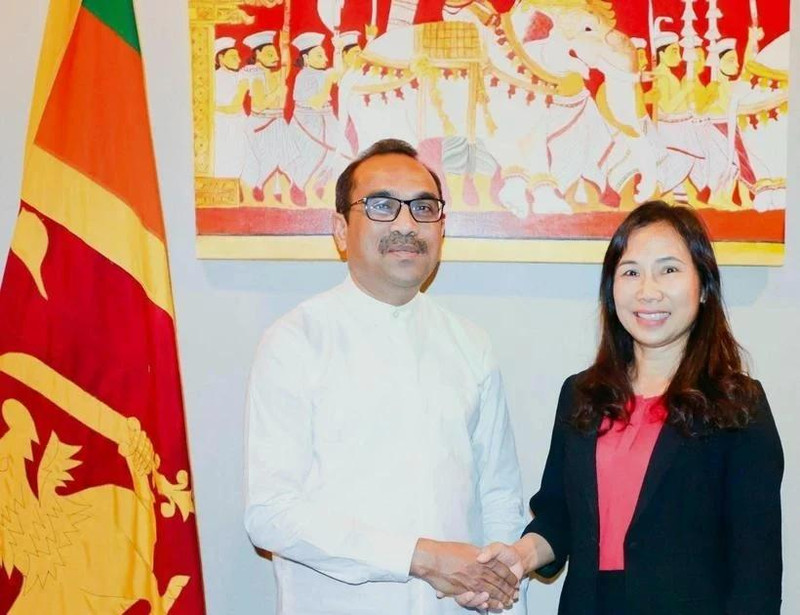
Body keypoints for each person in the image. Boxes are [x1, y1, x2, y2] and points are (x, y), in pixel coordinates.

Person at [244, 138, 528, 614]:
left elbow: (500, 497)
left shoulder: (470, 344)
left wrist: (501, 598)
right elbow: (271, 513)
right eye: (381, 205)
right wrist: (419, 558)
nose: (405, 224)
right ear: (341, 229)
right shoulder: (296, 341)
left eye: (423, 208)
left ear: (441, 228)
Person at [465, 200, 783, 614]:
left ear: (703, 286)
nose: (648, 291)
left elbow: (757, 570)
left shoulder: (739, 405)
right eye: (631, 272)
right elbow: (559, 515)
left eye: (669, 270)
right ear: (611, 291)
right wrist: (520, 557)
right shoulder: (581, 395)